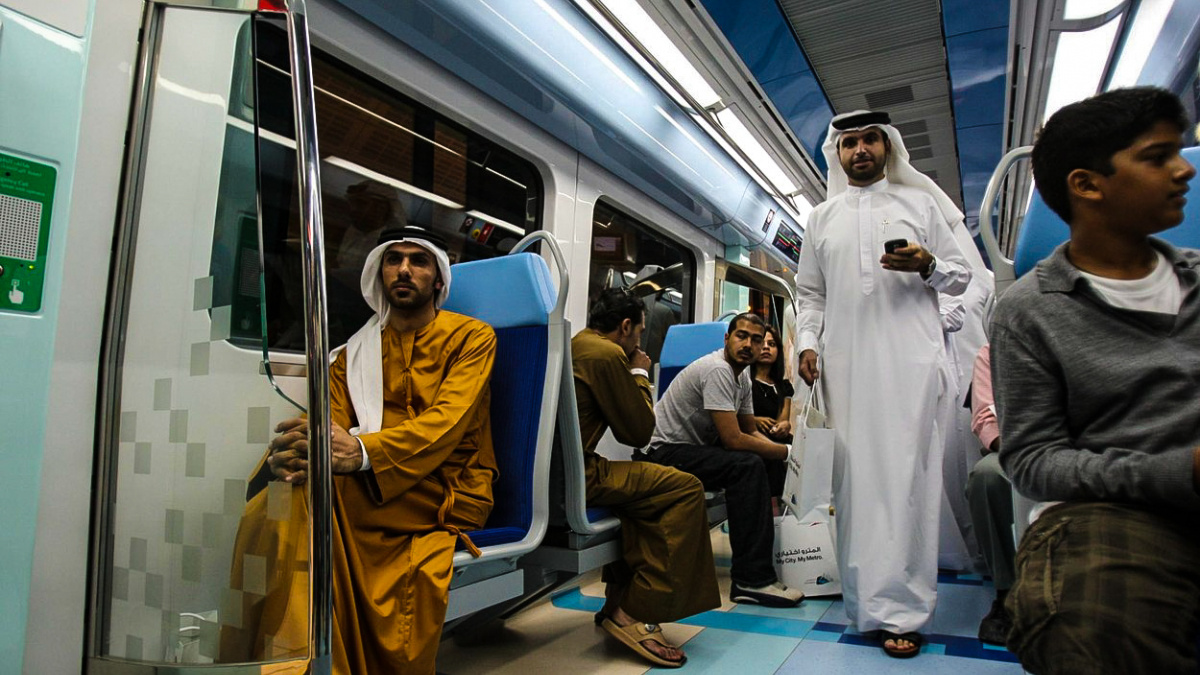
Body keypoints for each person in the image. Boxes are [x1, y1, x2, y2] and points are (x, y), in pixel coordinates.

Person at [220, 226, 497, 674]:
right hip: (372, 480)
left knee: (312, 503)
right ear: (380, 273)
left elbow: (446, 424)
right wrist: (302, 451)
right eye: (393, 260)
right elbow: (333, 428)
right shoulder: (352, 353)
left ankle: (295, 664)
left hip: (447, 483)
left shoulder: (472, 338)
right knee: (275, 498)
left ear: (438, 280)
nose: (404, 269)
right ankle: (277, 659)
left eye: (418, 261)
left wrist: (362, 453)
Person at [992, 86, 1200, 674]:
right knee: (1094, 620)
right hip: (1115, 509)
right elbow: (1031, 460)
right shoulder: (1031, 311)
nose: (1185, 169)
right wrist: (1179, 472)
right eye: (1159, 157)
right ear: (1087, 184)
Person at [794, 109, 972, 657]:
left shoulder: (920, 205)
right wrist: (805, 342)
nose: (861, 150)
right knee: (854, 485)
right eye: (849, 142)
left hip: (910, 363)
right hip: (845, 365)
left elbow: (962, 276)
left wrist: (927, 264)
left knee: (907, 480)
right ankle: (866, 604)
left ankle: (905, 611)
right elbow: (811, 294)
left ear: (887, 146)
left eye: (871, 139)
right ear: (838, 152)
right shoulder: (821, 218)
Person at [571, 289, 722, 668]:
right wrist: (639, 371)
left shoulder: (576, 343)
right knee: (685, 487)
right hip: (578, 476)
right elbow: (639, 432)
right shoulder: (606, 355)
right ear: (625, 327)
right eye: (638, 332)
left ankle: (617, 597)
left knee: (643, 491)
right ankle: (632, 612)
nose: (639, 341)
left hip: (562, 473)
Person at [643, 312, 803, 608]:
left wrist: (789, 456)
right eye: (741, 336)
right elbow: (734, 440)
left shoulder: (741, 376)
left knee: (762, 458)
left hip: (690, 451)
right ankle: (751, 580)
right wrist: (787, 454)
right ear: (726, 339)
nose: (749, 345)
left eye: (756, 340)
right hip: (664, 452)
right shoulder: (717, 369)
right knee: (747, 465)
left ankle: (768, 561)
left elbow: (750, 429)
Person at [965, 343, 1015, 646]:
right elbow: (985, 419)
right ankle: (1008, 592)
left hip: (1079, 448)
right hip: (1016, 449)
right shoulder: (994, 350)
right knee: (987, 476)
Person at [750, 324, 794, 496]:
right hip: (750, 435)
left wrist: (785, 426)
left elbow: (783, 420)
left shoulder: (783, 386)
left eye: (772, 344)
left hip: (775, 436)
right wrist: (754, 420)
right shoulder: (745, 381)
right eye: (762, 343)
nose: (766, 348)